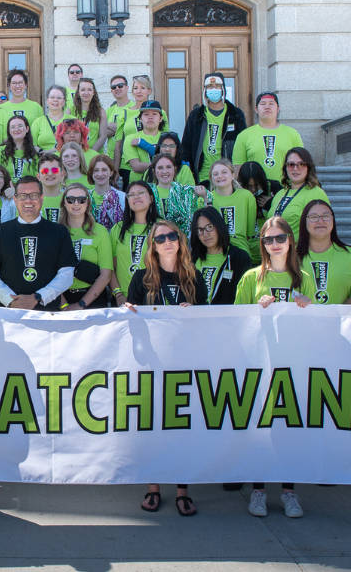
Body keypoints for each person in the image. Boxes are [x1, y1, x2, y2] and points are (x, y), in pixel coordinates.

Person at [124, 220, 207, 517]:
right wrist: (129, 312)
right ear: (153, 246)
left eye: (172, 236)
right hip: (151, 362)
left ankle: (183, 490)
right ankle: (153, 486)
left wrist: (194, 315)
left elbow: (210, 321)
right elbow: (130, 319)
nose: (168, 241)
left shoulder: (194, 277)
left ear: (180, 241)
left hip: (184, 361)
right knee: (152, 428)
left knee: (182, 428)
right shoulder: (141, 277)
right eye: (161, 238)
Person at [234, 216, 314, 519]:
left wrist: (308, 306)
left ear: (290, 240)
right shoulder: (251, 277)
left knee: (289, 428)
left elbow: (318, 323)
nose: (275, 244)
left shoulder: (304, 276)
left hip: (292, 362)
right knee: (260, 428)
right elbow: (235, 321)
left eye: (280, 238)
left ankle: (289, 491)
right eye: (268, 240)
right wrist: (257, 311)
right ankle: (258, 489)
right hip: (259, 361)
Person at [0, 176, 77, 310]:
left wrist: (39, 297)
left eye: (33, 195)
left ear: (42, 198)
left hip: (48, 312)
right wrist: (10, 299)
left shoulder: (59, 232)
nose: (28, 200)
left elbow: (66, 274)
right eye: (22, 196)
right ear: (15, 199)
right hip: (9, 311)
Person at [179, 72, 247, 186]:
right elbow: (186, 146)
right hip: (202, 177)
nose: (214, 89)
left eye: (217, 86)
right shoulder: (196, 115)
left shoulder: (235, 114)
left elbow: (243, 144)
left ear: (223, 89)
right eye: (210, 87)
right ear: (205, 90)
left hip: (227, 176)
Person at [297, 200, 351, 305]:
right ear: (304, 222)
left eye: (325, 216)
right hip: (302, 319)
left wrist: (337, 317)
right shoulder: (291, 256)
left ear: (333, 220)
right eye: (313, 217)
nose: (320, 221)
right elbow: (284, 289)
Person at [231, 91, 303, 190]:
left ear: (278, 109)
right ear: (256, 109)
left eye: (271, 104)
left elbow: (301, 165)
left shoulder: (293, 134)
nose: (267, 107)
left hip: (285, 191)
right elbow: (238, 168)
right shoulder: (244, 136)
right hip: (254, 193)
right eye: (263, 104)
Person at [60, 182, 113, 309]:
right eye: (71, 199)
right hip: (61, 297)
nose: (76, 203)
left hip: (93, 298)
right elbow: (48, 272)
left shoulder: (100, 231)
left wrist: (81, 304)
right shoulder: (56, 231)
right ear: (64, 203)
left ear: (88, 203)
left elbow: (106, 275)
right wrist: (63, 305)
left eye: (81, 200)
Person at [109, 181, 160, 307]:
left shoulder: (162, 227)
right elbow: (110, 266)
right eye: (131, 194)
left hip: (156, 296)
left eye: (141, 193)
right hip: (125, 298)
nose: (136, 197)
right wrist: (118, 294)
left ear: (151, 198)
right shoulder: (118, 228)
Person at [266, 147, 330, 242]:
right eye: (291, 164)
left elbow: (323, 230)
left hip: (300, 254)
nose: (295, 168)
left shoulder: (316, 193)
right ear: (285, 168)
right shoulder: (280, 194)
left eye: (301, 164)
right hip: (276, 251)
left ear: (308, 167)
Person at [191, 207, 252, 305]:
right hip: (196, 318)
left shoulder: (240, 258)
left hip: (228, 319)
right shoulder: (191, 259)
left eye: (209, 227)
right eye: (200, 230)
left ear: (219, 227)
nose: (205, 234)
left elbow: (247, 296)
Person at [146, 153, 204, 237]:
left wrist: (205, 196)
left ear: (175, 169)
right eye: (160, 168)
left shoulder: (185, 192)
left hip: (182, 242)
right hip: (155, 241)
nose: (164, 171)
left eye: (168, 167)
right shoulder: (148, 192)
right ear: (154, 171)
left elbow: (202, 212)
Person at [207, 159, 257, 257]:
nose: (220, 176)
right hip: (215, 251)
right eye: (215, 174)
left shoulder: (246, 196)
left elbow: (250, 231)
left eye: (224, 172)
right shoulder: (206, 198)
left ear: (233, 175)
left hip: (241, 251)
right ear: (211, 178)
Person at [118, 99, 165, 184]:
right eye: (146, 114)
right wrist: (164, 167)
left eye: (154, 114)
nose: (150, 117)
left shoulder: (167, 139)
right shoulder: (130, 139)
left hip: (163, 186)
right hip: (138, 188)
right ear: (140, 119)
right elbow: (136, 166)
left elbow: (174, 162)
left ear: (160, 118)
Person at [237, 161, 273, 264]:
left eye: (256, 185)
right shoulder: (237, 194)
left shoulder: (273, 187)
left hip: (267, 253)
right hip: (246, 253)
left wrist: (270, 204)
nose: (253, 190)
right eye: (249, 186)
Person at [69, 77, 108, 152]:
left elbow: (102, 137)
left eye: (89, 90)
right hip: (75, 154)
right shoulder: (70, 111)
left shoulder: (101, 112)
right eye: (83, 90)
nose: (86, 93)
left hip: (94, 155)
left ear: (93, 92)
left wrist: (91, 153)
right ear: (78, 93)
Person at [0, 114, 39, 182]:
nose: (16, 129)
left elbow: (38, 177)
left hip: (28, 190)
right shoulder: (0, 151)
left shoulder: (34, 153)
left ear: (27, 129)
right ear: (9, 131)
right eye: (13, 127)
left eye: (20, 126)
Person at [88, 153, 125, 230]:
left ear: (111, 172)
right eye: (96, 170)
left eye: (104, 170)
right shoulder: (86, 197)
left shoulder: (122, 197)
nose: (100, 174)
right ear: (91, 173)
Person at [31, 85, 69, 150]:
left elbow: (76, 144)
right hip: (44, 158)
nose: (55, 100)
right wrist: (43, 152)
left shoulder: (72, 120)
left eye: (59, 98)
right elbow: (32, 145)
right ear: (47, 101)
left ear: (64, 102)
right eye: (52, 97)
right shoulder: (38, 122)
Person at [103, 74, 133, 157]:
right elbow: (101, 133)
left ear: (127, 88)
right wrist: (117, 127)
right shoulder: (109, 110)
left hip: (127, 159)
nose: (117, 88)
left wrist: (109, 126)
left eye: (120, 86)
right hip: (110, 159)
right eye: (114, 87)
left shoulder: (134, 108)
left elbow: (129, 131)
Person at [37, 153, 66, 223]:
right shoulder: (30, 201)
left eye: (54, 170)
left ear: (62, 175)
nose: (50, 174)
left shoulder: (70, 200)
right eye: (45, 171)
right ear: (38, 177)